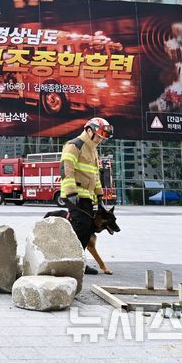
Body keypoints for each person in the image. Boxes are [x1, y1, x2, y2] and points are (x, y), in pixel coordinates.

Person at [60, 117, 114, 274]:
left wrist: (99, 194)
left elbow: (94, 175)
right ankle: (68, 261)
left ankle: (78, 262)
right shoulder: (74, 146)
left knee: (87, 229)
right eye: (99, 136)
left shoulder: (93, 150)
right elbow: (66, 169)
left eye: (103, 138)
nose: (100, 140)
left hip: (87, 196)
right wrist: (70, 192)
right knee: (81, 226)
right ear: (89, 130)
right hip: (74, 194)